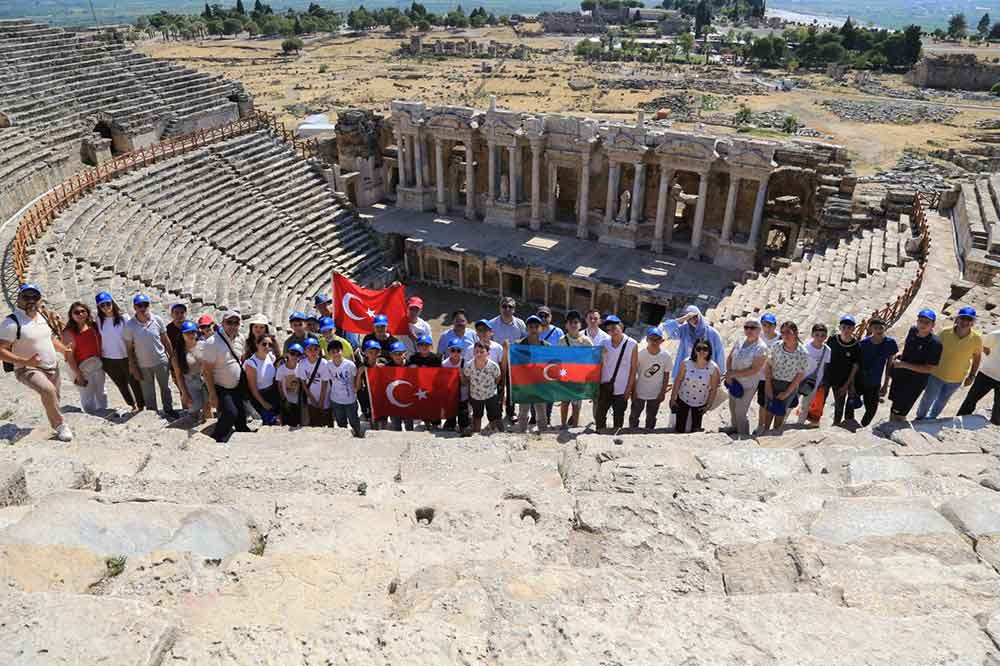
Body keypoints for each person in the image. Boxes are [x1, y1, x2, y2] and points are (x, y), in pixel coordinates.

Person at [0, 284, 73, 441]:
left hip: (52, 366)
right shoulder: (11, 323)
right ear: (18, 298)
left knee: (54, 396)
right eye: (26, 297)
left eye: (35, 297)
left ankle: (55, 420)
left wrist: (64, 351)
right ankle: (60, 426)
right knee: (48, 391)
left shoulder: (42, 316)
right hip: (27, 368)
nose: (31, 300)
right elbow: (1, 350)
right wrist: (25, 361)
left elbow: (50, 338)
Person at [917, 306, 982, 420]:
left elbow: (977, 357)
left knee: (942, 400)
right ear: (957, 319)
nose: (965, 322)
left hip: (956, 378)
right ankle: (920, 417)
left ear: (973, 322)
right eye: (963, 318)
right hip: (936, 373)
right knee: (928, 398)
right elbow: (931, 349)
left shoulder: (977, 339)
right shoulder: (944, 332)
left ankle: (932, 418)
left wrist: (972, 375)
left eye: (969, 319)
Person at [123, 294, 178, 418]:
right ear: (134, 307)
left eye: (145, 305)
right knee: (148, 392)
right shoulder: (130, 325)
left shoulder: (157, 319)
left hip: (161, 360)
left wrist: (172, 356)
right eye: (139, 306)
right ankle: (152, 414)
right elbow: (129, 348)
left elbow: (165, 339)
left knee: (166, 388)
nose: (143, 308)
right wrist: (132, 365)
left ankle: (168, 410)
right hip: (143, 364)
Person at [201, 310, 249, 442]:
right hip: (221, 386)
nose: (233, 325)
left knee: (241, 413)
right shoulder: (212, 342)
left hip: (236, 384)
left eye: (236, 322)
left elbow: (241, 358)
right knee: (230, 413)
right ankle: (217, 438)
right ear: (222, 323)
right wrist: (212, 394)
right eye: (229, 322)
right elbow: (207, 371)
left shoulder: (241, 338)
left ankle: (242, 432)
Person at [889, 309, 943, 421]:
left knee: (900, 412)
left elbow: (929, 369)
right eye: (921, 321)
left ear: (933, 325)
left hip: (914, 383)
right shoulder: (913, 331)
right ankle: (890, 424)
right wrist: (901, 354)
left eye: (927, 322)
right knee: (894, 407)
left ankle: (894, 430)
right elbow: (908, 347)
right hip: (901, 376)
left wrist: (903, 364)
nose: (922, 324)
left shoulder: (935, 343)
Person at [95, 292, 143, 413]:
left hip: (126, 356)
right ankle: (132, 405)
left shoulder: (124, 318)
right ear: (99, 307)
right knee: (121, 385)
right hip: (108, 359)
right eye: (102, 305)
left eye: (108, 303)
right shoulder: (99, 320)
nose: (106, 307)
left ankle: (141, 405)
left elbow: (132, 337)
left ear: (112, 303)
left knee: (134, 383)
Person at [725, 317, 770, 437]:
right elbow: (730, 357)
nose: (749, 330)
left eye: (752, 328)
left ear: (759, 330)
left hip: (747, 384)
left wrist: (732, 374)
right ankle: (735, 428)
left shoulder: (761, 347)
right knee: (732, 406)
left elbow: (754, 370)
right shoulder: (740, 340)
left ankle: (743, 434)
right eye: (746, 327)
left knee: (740, 410)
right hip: (733, 381)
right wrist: (729, 373)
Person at [761, 321, 809, 433]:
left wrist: (787, 393)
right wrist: (768, 385)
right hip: (773, 382)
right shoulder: (776, 346)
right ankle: (765, 431)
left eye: (788, 332)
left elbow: (799, 375)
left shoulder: (802, 353)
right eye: (782, 332)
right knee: (769, 409)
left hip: (789, 385)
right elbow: (768, 364)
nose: (785, 335)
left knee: (780, 411)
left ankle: (775, 433)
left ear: (795, 333)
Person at [61, 301, 107, 415]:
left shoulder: (93, 326)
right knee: (87, 394)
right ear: (71, 315)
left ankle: (104, 414)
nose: (80, 314)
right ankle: (91, 417)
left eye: (83, 311)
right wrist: (79, 375)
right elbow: (69, 357)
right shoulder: (69, 333)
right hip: (80, 367)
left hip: (96, 363)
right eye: (76, 312)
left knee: (101, 392)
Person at [596, 314, 639, 433]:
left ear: (621, 326)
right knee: (600, 415)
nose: (612, 331)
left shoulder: (632, 344)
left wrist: (629, 389)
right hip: (605, 385)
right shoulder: (604, 343)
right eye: (608, 329)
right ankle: (599, 436)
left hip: (621, 388)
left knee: (618, 416)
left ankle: (615, 438)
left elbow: (633, 368)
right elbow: (597, 363)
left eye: (614, 328)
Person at [670, 339, 720, 433]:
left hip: (700, 402)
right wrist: (673, 398)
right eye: (699, 348)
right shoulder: (686, 363)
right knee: (679, 429)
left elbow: (713, 389)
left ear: (709, 351)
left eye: (705, 349)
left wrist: (708, 405)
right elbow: (678, 381)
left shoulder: (713, 368)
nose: (701, 351)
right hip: (683, 399)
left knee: (695, 430)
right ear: (694, 350)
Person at [489, 297, 526, 423]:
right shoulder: (492, 324)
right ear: (500, 308)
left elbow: (525, 340)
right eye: (504, 306)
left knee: (511, 388)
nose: (507, 309)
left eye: (510, 307)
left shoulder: (520, 324)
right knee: (498, 387)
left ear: (514, 309)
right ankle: (497, 412)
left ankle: (511, 412)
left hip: (513, 361)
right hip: (497, 361)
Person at [857, 318, 898, 426]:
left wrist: (885, 384)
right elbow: (856, 364)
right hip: (860, 380)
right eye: (876, 328)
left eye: (881, 327)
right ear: (870, 329)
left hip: (874, 382)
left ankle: (862, 426)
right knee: (853, 404)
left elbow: (889, 365)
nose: (879, 330)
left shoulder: (890, 343)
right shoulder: (863, 344)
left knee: (872, 409)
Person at [629, 327, 671, 431]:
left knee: (651, 417)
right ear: (647, 339)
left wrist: (662, 392)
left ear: (661, 340)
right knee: (634, 415)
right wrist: (633, 390)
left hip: (655, 392)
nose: (654, 342)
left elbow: (666, 375)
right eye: (651, 339)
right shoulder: (640, 354)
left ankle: (649, 432)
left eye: (657, 339)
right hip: (639, 391)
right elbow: (634, 373)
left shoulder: (666, 356)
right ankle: (632, 431)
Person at [514, 315, 550, 434]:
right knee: (523, 409)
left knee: (541, 409)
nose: (533, 329)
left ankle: (543, 432)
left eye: (536, 326)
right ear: (526, 328)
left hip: (540, 383)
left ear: (541, 328)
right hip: (524, 383)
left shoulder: (546, 346)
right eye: (531, 326)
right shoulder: (518, 345)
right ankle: (522, 431)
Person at [958, 324, 1000, 425]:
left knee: (998, 410)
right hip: (986, 373)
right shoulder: (996, 335)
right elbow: (985, 347)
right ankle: (959, 421)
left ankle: (993, 427)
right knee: (970, 400)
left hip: (989, 373)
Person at [559, 310, 593, 428]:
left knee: (576, 405)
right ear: (566, 325)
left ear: (580, 324)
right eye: (570, 322)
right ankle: (563, 424)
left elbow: (591, 360)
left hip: (579, 378)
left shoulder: (586, 341)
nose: (573, 325)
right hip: (565, 376)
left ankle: (574, 426)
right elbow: (558, 360)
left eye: (576, 322)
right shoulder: (562, 340)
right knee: (564, 402)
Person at [826, 315, 861, 425]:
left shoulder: (856, 346)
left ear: (853, 329)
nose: (846, 330)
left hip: (842, 381)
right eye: (844, 327)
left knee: (839, 406)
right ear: (840, 327)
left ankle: (836, 425)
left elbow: (855, 367)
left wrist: (847, 384)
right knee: (819, 401)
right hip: (827, 377)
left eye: (849, 327)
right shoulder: (832, 340)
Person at [175, 320, 210, 423]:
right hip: (190, 382)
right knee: (194, 408)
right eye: (187, 333)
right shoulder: (178, 352)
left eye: (193, 332)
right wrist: (184, 393)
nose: (191, 335)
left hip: (205, 380)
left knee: (207, 406)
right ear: (182, 335)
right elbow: (179, 375)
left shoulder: (204, 345)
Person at [464, 341, 503, 433]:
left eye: (482, 352)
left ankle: (493, 430)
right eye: (476, 351)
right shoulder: (469, 366)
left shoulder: (493, 366)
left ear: (488, 353)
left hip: (490, 395)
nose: (479, 354)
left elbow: (497, 378)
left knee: (492, 415)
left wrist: (491, 388)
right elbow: (467, 377)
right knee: (477, 415)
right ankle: (476, 432)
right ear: (473, 352)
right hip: (476, 395)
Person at [797, 323, 831, 426]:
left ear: (826, 336)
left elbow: (825, 366)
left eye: (822, 335)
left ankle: (799, 425)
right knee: (791, 404)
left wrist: (821, 382)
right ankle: (781, 425)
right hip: (800, 380)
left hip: (814, 383)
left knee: (805, 406)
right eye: (817, 335)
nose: (820, 338)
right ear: (812, 335)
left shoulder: (827, 350)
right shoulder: (806, 347)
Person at [328, 339, 363, 437]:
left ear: (342, 351)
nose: (336, 354)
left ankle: (358, 436)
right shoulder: (328, 365)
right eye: (333, 352)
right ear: (329, 353)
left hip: (350, 400)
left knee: (354, 421)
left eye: (338, 351)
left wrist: (356, 389)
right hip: (336, 400)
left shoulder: (350, 365)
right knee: (341, 423)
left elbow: (356, 378)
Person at [407, 334, 442, 430]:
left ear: (431, 346)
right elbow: (408, 372)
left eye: (426, 344)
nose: (424, 347)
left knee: (434, 405)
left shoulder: (436, 359)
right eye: (421, 344)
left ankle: (436, 423)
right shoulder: (413, 358)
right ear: (417, 346)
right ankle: (426, 422)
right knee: (422, 404)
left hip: (432, 387)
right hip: (418, 387)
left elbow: (441, 374)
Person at [243, 333, 280, 425]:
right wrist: (263, 403)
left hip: (273, 393)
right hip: (260, 396)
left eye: (270, 345)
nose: (267, 347)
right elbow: (253, 388)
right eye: (264, 344)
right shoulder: (251, 363)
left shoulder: (270, 356)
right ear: (257, 344)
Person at [754, 312, 780, 432]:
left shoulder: (780, 338)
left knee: (772, 402)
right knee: (762, 403)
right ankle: (760, 426)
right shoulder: (758, 337)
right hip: (760, 376)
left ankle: (769, 428)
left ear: (775, 326)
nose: (767, 327)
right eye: (765, 325)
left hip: (774, 376)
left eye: (770, 325)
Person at [295, 337, 330, 427]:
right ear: (305, 351)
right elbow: (303, 382)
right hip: (311, 398)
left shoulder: (323, 363)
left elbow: (325, 383)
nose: (313, 352)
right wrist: (312, 398)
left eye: (315, 349)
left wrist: (321, 400)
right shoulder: (302, 364)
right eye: (309, 349)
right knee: (314, 421)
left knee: (326, 421)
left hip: (325, 398)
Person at [442, 339, 472, 435]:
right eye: (452, 350)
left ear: (462, 351)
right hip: (450, 396)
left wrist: (460, 374)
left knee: (464, 421)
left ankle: (464, 424)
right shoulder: (444, 364)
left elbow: (466, 382)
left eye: (458, 350)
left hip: (463, 396)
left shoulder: (465, 363)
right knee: (450, 422)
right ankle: (450, 423)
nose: (455, 353)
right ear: (448, 351)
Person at [276, 343, 304, 427]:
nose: (295, 357)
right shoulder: (281, 369)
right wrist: (284, 399)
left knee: (297, 422)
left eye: (298, 354)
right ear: (287, 354)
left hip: (298, 401)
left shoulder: (301, 367)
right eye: (292, 353)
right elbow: (279, 385)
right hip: (286, 401)